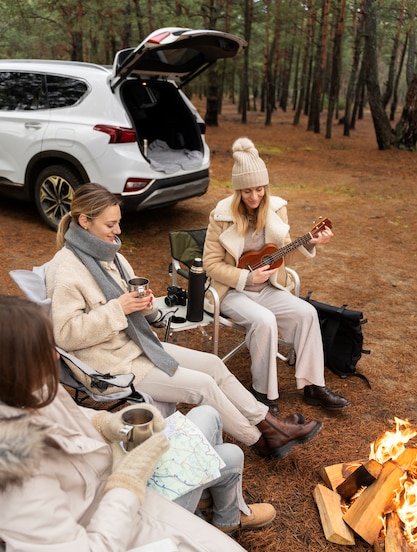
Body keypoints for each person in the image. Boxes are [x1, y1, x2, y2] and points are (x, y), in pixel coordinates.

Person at [0, 295, 269, 552]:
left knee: (210, 417)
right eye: (43, 349)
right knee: (228, 453)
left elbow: (66, 416)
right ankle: (226, 515)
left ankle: (224, 514)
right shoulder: (18, 479)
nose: (56, 355)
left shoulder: (24, 393)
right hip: (121, 531)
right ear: (13, 367)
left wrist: (106, 421)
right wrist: (127, 483)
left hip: (108, 488)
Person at [45, 182, 322, 460]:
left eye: (118, 223)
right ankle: (261, 440)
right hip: (109, 363)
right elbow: (65, 335)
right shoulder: (67, 270)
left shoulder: (111, 256)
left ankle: (270, 423)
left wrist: (145, 305)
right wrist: (119, 308)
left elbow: (131, 306)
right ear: (84, 221)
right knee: (202, 386)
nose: (118, 231)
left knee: (213, 364)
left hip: (138, 344)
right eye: (110, 225)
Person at [203, 137, 350, 417]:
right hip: (233, 290)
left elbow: (283, 254)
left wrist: (310, 243)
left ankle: (313, 386)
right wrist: (246, 279)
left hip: (267, 287)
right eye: (247, 191)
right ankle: (264, 393)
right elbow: (210, 264)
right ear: (237, 192)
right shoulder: (220, 216)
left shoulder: (276, 209)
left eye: (259, 189)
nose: (255, 197)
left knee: (307, 313)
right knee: (264, 320)